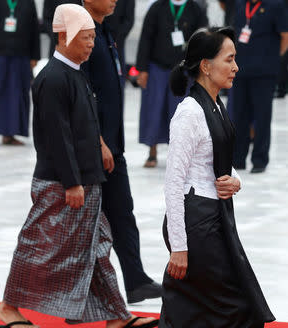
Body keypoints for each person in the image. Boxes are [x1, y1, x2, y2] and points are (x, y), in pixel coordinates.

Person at [0, 5, 159, 328]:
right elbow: (57, 138)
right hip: (60, 183)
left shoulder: (75, 74)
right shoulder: (53, 78)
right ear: (64, 36)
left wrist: (97, 151)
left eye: (92, 37)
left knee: (97, 248)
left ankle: (116, 317)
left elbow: (84, 124)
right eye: (85, 37)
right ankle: (7, 308)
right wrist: (72, 182)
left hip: (86, 179)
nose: (90, 44)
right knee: (39, 248)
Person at [160, 27, 275, 326]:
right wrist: (179, 247)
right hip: (196, 224)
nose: (236, 67)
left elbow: (216, 156)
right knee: (235, 306)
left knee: (196, 309)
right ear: (206, 66)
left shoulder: (215, 105)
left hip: (214, 218)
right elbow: (173, 182)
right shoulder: (189, 113)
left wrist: (235, 179)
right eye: (229, 59)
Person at [81, 0, 162, 304]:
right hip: (93, 146)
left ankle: (136, 280)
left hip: (113, 145)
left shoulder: (104, 31)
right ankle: (77, 293)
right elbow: (81, 92)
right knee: (84, 225)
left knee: (122, 213)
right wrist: (96, 141)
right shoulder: (81, 33)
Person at [136, 0, 208, 168]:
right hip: (157, 67)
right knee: (154, 110)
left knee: (183, 113)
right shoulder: (157, 7)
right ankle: (152, 152)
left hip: (185, 70)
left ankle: (181, 154)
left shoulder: (196, 8)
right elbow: (146, 37)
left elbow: (204, 39)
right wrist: (142, 69)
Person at [227, 0, 288, 173]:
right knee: (239, 116)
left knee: (262, 117)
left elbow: (285, 36)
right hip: (239, 70)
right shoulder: (239, 4)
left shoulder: (275, 5)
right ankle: (238, 158)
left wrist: (273, 58)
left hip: (264, 72)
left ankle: (259, 159)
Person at [0, 0, 40, 146]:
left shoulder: (28, 2)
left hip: (21, 55)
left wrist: (34, 55)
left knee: (17, 95)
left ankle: (10, 134)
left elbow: (34, 27)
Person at [104, 0, 135, 73]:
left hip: (117, 41)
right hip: (98, 37)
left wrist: (117, 39)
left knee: (117, 71)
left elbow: (129, 21)